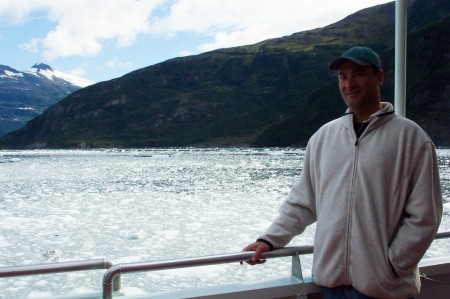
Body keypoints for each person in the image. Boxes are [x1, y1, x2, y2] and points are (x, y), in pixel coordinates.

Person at [242, 46, 443, 299]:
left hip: (384, 288)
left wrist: (392, 265)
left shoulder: (411, 138)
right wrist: (269, 240)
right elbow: (302, 202)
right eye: (342, 77)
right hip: (331, 284)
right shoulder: (323, 138)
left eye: (357, 74)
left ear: (378, 77)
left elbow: (425, 216)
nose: (349, 83)